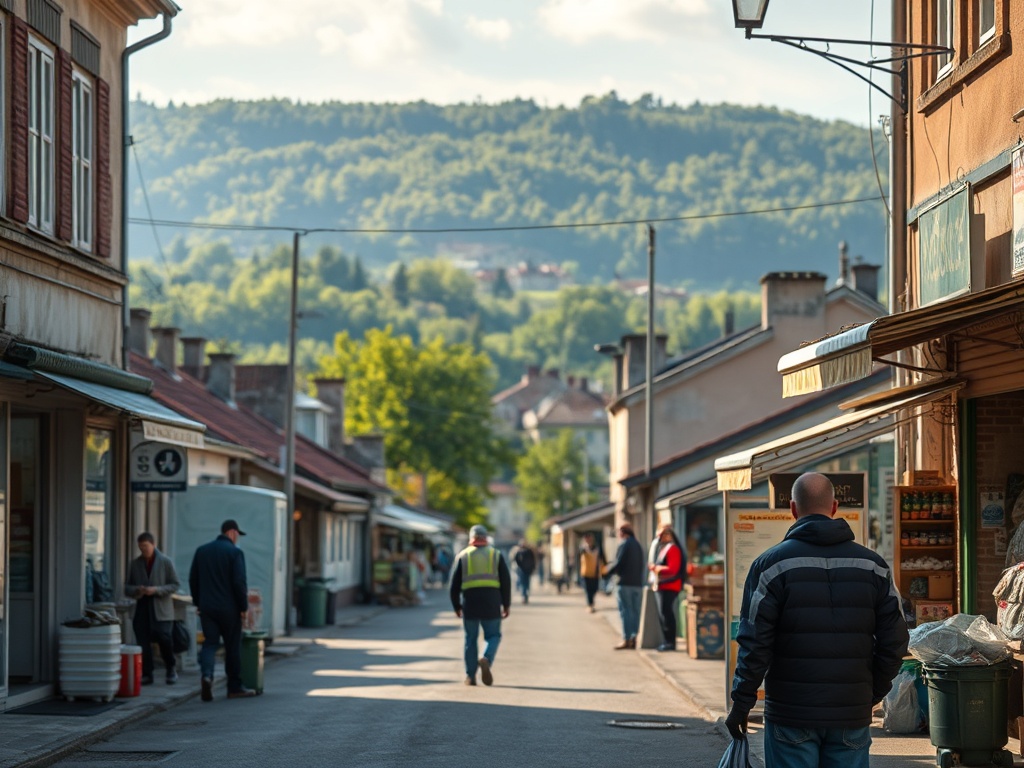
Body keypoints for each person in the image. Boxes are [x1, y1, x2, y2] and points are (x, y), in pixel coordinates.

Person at [725, 473, 909, 768]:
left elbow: (755, 643)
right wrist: (871, 691)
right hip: (851, 712)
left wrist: (741, 702)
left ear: (793, 508)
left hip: (790, 712)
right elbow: (896, 640)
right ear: (835, 507)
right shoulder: (873, 567)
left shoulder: (770, 566)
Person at [189, 519, 256, 701]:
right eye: (237, 536)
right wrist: (243, 607)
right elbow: (239, 582)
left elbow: (193, 579)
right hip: (230, 609)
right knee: (232, 646)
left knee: (210, 643)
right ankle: (234, 687)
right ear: (232, 533)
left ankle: (207, 676)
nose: (237, 539)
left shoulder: (202, 551)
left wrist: (198, 603)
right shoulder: (235, 553)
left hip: (207, 608)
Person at [449, 524, 511, 686]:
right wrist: (506, 604)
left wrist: (456, 606)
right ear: (486, 538)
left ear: (471, 538)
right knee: (493, 636)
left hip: (470, 603)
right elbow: (506, 582)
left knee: (470, 638)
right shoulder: (495, 555)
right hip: (491, 603)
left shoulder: (463, 556)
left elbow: (454, 585)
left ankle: (470, 677)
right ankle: (486, 658)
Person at [125, 532, 180, 685]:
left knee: (165, 639)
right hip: (142, 607)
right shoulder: (135, 564)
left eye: (146, 546)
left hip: (161, 609)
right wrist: (137, 589)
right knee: (143, 641)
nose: (143, 550)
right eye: (140, 547)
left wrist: (156, 590)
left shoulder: (165, 562)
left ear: (154, 545)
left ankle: (171, 668)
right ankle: (147, 673)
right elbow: (126, 587)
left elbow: (175, 584)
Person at [602, 523, 645, 649]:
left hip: (624, 583)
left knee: (625, 611)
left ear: (623, 532)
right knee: (635, 612)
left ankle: (627, 639)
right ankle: (634, 637)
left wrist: (606, 571)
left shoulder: (624, 544)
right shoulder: (638, 545)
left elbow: (618, 563)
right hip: (637, 583)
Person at [648, 523, 685, 651]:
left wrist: (656, 568)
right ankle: (666, 640)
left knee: (666, 613)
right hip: (662, 585)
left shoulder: (673, 548)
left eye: (662, 534)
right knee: (663, 614)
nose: (659, 537)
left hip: (669, 585)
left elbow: (673, 569)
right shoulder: (664, 548)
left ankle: (670, 642)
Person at [578, 532, 605, 613]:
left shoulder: (597, 548)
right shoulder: (583, 549)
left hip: (595, 572)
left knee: (594, 589)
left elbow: (603, 558)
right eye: (586, 538)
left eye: (589, 538)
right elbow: (579, 555)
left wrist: (604, 569)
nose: (588, 540)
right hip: (585, 573)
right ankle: (590, 605)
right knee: (588, 590)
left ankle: (591, 603)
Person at [512, 539, 536, 604]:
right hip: (524, 570)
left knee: (525, 584)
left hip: (525, 570)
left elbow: (533, 560)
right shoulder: (522, 551)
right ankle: (525, 596)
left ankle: (525, 596)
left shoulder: (525, 551)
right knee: (524, 584)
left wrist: (532, 567)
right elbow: (516, 559)